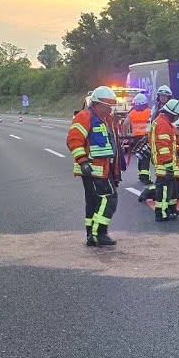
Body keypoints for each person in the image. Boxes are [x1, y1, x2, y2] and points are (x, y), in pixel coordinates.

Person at [67, 86, 125, 246]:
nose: (109, 110)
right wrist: (83, 161)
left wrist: (116, 171)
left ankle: (91, 236)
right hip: (93, 169)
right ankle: (99, 233)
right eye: (107, 106)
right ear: (97, 104)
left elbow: (112, 145)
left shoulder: (106, 119)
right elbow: (73, 140)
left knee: (94, 202)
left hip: (103, 169)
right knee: (109, 199)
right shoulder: (84, 117)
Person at [150, 98, 179, 221]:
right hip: (164, 163)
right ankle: (161, 213)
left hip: (167, 162)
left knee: (172, 188)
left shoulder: (164, 122)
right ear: (172, 113)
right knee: (164, 189)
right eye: (178, 115)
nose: (178, 118)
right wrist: (168, 164)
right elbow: (163, 146)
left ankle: (171, 209)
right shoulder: (162, 124)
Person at [129, 93, 152, 185]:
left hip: (136, 137)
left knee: (140, 155)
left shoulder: (132, 113)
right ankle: (144, 176)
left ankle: (141, 174)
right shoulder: (150, 111)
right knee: (146, 156)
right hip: (146, 137)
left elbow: (125, 124)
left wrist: (125, 134)